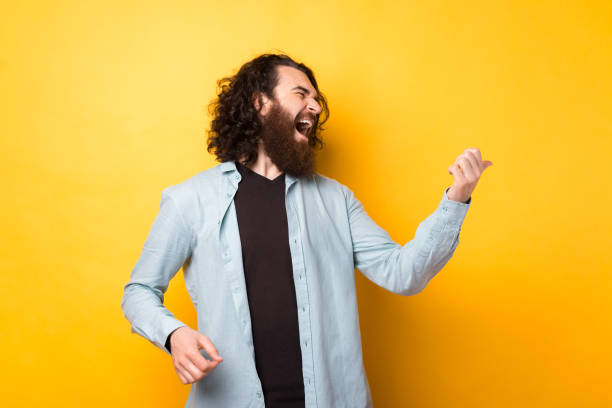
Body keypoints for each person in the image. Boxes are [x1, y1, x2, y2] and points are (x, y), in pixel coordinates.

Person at [121, 52, 493, 408]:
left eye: (316, 99)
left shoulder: (336, 200)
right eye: (301, 94)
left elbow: (403, 273)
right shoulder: (190, 199)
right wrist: (174, 335)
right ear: (259, 103)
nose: (315, 107)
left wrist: (456, 198)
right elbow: (138, 293)